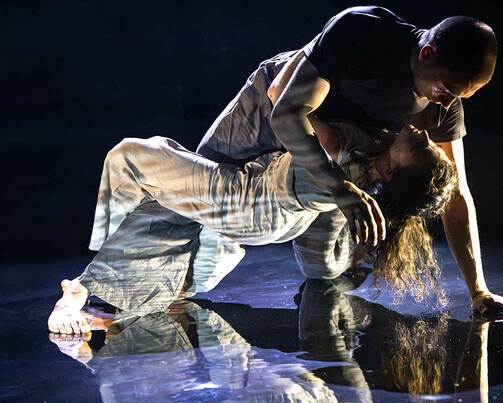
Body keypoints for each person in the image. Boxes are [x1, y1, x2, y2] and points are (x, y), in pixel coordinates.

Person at [197, 5, 503, 315]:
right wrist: (341, 189)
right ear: (427, 52)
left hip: (335, 149)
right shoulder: (364, 30)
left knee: (334, 258)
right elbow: (284, 110)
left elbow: (456, 194)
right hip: (272, 104)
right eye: (447, 90)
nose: (448, 104)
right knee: (202, 189)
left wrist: (479, 292)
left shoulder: (442, 109)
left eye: (462, 97)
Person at [47, 122, 457, 334]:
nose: (422, 134)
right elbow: (318, 261)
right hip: (266, 223)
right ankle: (126, 299)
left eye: (419, 147)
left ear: (390, 170)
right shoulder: (362, 179)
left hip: (247, 202)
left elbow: (286, 100)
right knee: (185, 274)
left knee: (131, 155)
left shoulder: (349, 163)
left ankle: (85, 287)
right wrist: (346, 269)